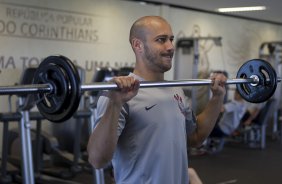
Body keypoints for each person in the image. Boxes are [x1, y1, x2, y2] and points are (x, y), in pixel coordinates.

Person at [87, 16, 226, 184]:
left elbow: (195, 137)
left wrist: (217, 97)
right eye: (161, 40)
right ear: (138, 45)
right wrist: (115, 104)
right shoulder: (119, 94)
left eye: (171, 39)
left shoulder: (176, 90)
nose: (170, 47)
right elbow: (97, 160)